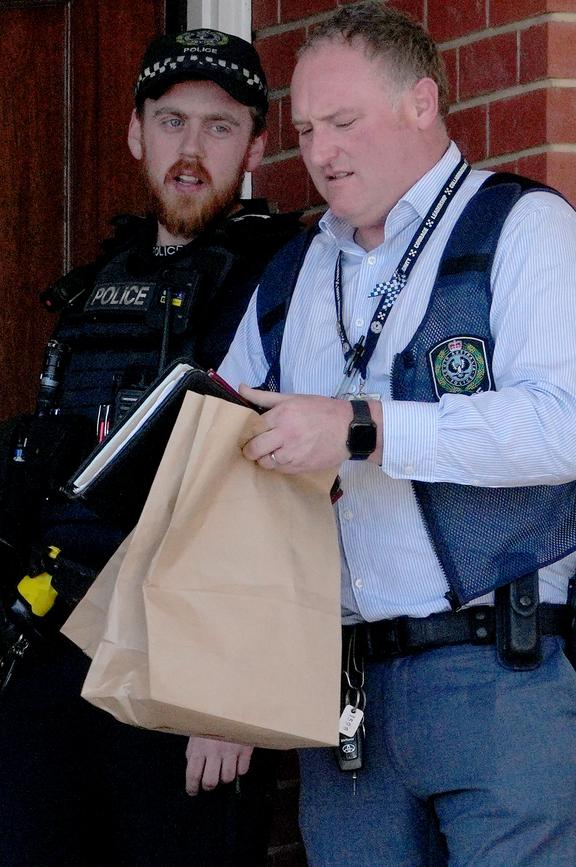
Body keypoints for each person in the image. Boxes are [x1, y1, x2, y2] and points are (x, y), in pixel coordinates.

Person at [218, 2, 576, 864]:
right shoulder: (293, 272)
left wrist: (364, 428)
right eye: (305, 129)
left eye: (344, 122)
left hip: (501, 671)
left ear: (421, 103)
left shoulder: (526, 228)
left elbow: (561, 431)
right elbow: (228, 449)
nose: (322, 152)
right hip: (342, 690)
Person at [0, 28, 303, 867]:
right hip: (55, 654)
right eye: (172, 122)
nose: (191, 150)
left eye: (219, 126)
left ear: (256, 146)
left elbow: (285, 495)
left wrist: (230, 695)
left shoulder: (283, 280)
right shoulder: (97, 281)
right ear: (136, 132)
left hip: (182, 676)